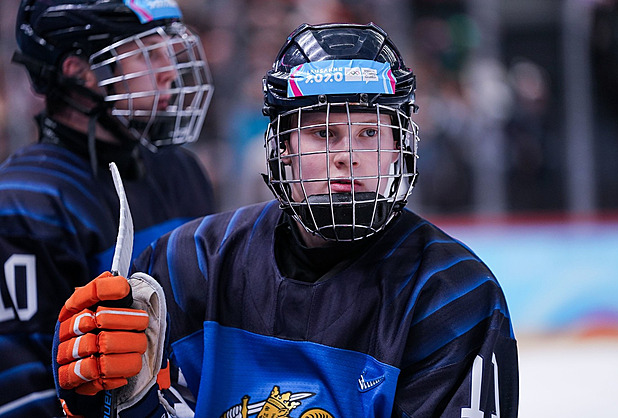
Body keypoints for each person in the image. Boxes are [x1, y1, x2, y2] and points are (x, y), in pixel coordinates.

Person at [53, 23, 519, 417]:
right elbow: (129, 402)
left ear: (399, 148)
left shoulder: (452, 297)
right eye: (323, 132)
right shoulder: (192, 263)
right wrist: (95, 394)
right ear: (282, 148)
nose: (348, 157)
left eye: (371, 133)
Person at [0, 0, 216, 416]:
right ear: (78, 71)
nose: (170, 71)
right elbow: (21, 391)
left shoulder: (180, 169)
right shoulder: (24, 201)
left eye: (168, 51)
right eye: (149, 53)